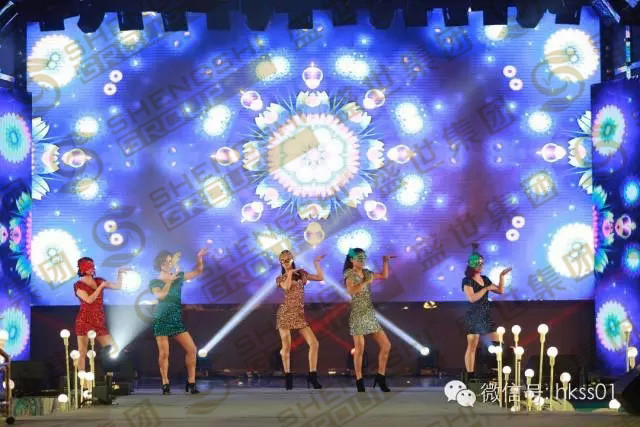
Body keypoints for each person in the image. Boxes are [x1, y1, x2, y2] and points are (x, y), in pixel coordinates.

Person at [150, 247, 208, 395]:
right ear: (160, 264)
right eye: (165, 262)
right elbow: (161, 296)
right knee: (164, 353)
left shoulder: (178, 276)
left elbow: (198, 271)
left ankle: (191, 382)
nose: (168, 264)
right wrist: (169, 282)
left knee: (192, 349)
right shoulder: (155, 281)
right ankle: (165, 383)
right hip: (161, 318)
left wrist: (199, 258)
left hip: (175, 318)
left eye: (170, 261)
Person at [343, 248, 395, 392]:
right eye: (359, 258)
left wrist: (385, 262)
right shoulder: (349, 274)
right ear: (352, 260)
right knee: (359, 348)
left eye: (363, 258)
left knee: (386, 345)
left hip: (369, 314)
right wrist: (366, 282)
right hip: (357, 314)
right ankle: (359, 380)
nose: (362, 261)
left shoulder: (367, 272)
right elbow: (352, 290)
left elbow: (384, 276)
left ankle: (381, 377)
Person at [276, 250, 326, 390]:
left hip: (298, 315)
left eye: (287, 260)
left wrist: (316, 263)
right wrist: (289, 272)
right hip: (285, 314)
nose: (285, 263)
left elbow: (320, 277)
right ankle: (288, 377)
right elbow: (287, 287)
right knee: (286, 347)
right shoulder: (280, 278)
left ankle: (312, 375)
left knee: (314, 343)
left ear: (292, 260)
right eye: (282, 261)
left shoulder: (302, 274)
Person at [462, 244, 511, 382]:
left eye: (482, 263)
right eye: (479, 263)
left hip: (485, 315)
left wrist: (501, 276)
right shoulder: (467, 280)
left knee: (498, 342)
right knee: (472, 345)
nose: (481, 265)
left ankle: (495, 370)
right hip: (473, 316)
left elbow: (500, 291)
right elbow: (472, 298)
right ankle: (470, 375)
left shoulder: (485, 279)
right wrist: (485, 289)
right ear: (472, 265)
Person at [73, 257, 126, 384]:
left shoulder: (99, 280)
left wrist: (120, 274)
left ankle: (108, 376)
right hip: (84, 321)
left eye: (92, 266)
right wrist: (100, 287)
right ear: (82, 268)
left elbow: (118, 286)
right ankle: (82, 382)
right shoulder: (78, 285)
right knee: (82, 352)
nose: (91, 268)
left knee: (114, 349)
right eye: (88, 266)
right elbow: (89, 300)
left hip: (98, 321)